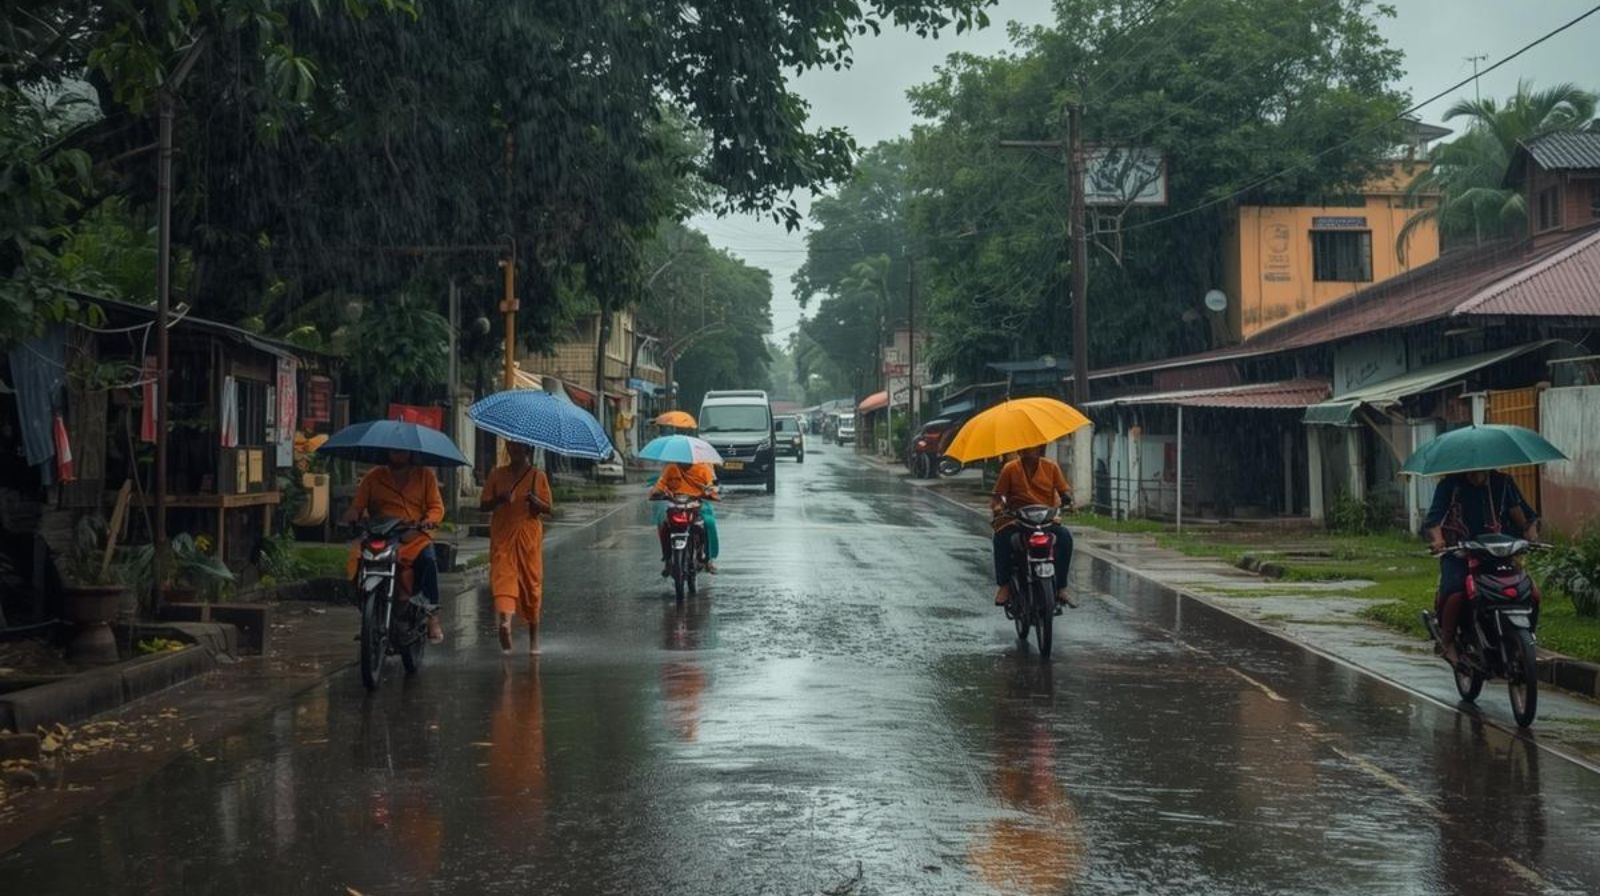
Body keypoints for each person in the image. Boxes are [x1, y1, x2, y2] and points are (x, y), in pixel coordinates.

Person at [1423, 468, 1540, 665]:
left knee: (1532, 593)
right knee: (1457, 592)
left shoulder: (1503, 483)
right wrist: (1438, 540)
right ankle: (1447, 642)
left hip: (1502, 553)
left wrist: (1530, 533)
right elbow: (1434, 521)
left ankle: (1528, 638)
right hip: (1461, 553)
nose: (1478, 473)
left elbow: (1524, 517)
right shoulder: (1449, 486)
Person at [341, 449, 447, 642]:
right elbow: (358, 505)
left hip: (412, 534)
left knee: (428, 559)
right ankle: (369, 616)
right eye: (394, 451)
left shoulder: (425, 476)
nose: (398, 454)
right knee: (357, 560)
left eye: (402, 451)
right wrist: (353, 514)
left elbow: (436, 507)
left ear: (410, 453)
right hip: (380, 533)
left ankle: (433, 615)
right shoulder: (373, 477)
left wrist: (430, 520)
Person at [481, 442, 553, 654]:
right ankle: (505, 622)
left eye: (518, 448)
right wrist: (499, 499)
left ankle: (534, 641)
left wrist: (535, 501)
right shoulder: (497, 474)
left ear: (527, 450)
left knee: (531, 586)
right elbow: (483, 504)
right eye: (510, 447)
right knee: (503, 577)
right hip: (503, 534)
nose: (513, 451)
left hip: (528, 538)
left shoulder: (537, 476)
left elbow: (548, 508)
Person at [991, 444, 1076, 610]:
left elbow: (1064, 490)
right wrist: (998, 507)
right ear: (1020, 450)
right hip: (1017, 519)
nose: (1030, 450)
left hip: (1046, 519)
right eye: (1026, 446)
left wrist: (1067, 498)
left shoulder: (1051, 467)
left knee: (1065, 537)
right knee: (1000, 539)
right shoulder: (1010, 469)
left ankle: (1061, 587)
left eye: (1034, 446)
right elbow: (997, 497)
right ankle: (1004, 586)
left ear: (1040, 448)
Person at [650, 461, 720, 575]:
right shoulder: (671, 468)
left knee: (709, 523)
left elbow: (712, 486)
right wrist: (657, 492)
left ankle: (708, 559)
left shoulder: (703, 468)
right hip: (675, 505)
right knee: (662, 523)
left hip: (696, 505)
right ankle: (667, 560)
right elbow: (660, 485)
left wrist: (711, 490)